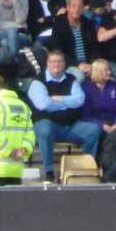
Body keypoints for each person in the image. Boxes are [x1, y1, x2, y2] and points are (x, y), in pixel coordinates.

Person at [28, 47, 100, 179]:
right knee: (44, 129)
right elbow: (44, 105)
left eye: (59, 61)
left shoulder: (71, 79)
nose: (56, 64)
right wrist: (67, 103)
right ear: (47, 64)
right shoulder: (37, 82)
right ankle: (49, 170)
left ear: (64, 64)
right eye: (53, 61)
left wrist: (60, 99)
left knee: (94, 129)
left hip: (71, 126)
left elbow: (80, 100)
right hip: (48, 126)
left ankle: (84, 167)